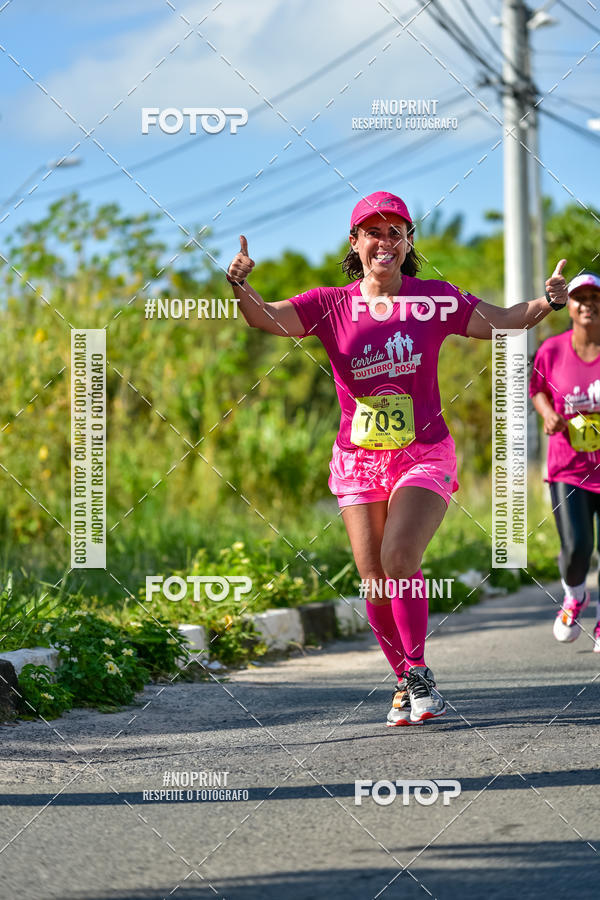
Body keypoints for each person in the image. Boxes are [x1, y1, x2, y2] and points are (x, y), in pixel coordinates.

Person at [227, 191, 569, 725]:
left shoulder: (434, 299)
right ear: (355, 242)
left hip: (423, 454)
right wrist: (240, 285)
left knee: (400, 559)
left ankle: (418, 673)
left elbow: (505, 319)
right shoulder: (330, 304)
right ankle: (404, 682)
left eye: (395, 232)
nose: (384, 242)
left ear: (408, 242)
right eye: (373, 232)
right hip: (358, 460)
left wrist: (548, 302)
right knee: (374, 580)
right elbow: (264, 319)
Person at [530, 271, 600, 652]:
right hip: (568, 468)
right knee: (576, 549)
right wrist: (547, 414)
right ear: (569, 306)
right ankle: (575, 595)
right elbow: (537, 388)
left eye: (595, 298)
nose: (588, 304)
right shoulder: (553, 350)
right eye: (580, 298)